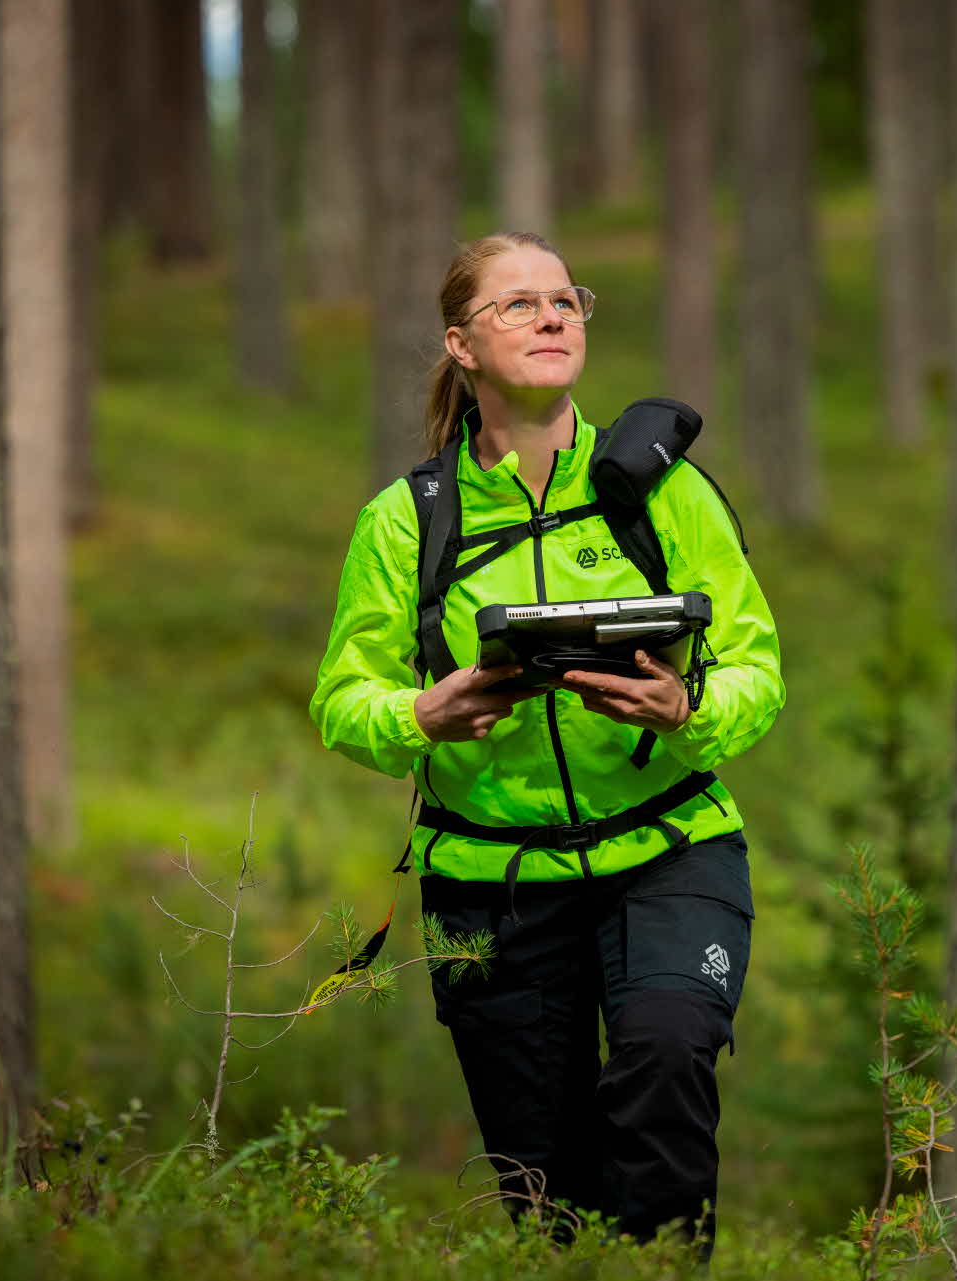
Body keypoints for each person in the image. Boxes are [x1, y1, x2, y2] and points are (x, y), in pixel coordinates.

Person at [310, 231, 784, 1255]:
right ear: (461, 345)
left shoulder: (664, 492)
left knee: (665, 1057)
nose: (553, 316)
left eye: (565, 299)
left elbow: (758, 668)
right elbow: (344, 699)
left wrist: (687, 713)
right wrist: (422, 716)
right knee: (545, 1189)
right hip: (492, 884)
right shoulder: (406, 523)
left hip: (667, 850)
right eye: (518, 305)